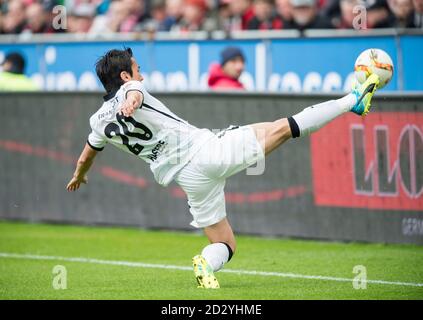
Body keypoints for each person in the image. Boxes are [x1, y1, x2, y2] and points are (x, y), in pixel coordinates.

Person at [66, 48, 380, 289]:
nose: (141, 77)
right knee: (284, 128)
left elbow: (86, 155)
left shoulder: (97, 121)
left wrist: (79, 175)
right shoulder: (131, 90)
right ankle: (351, 100)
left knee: (226, 244)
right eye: (137, 71)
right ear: (124, 76)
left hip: (189, 180)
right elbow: (133, 95)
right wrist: (132, 102)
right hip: (207, 154)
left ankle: (206, 262)